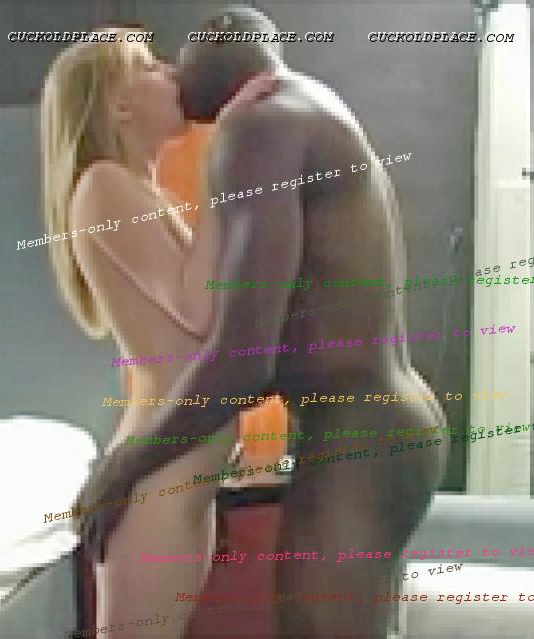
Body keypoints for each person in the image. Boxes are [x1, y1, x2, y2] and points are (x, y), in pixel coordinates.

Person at [78, 8, 450, 638]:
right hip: (380, 424)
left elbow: (243, 358)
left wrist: (123, 465)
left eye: (178, 55)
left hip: (361, 433)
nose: (173, 71)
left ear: (220, 39)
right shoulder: (305, 107)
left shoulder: (259, 127)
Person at [40, 26, 274, 637]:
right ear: (119, 104)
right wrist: (228, 152)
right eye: (149, 65)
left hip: (180, 471)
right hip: (161, 475)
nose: (172, 73)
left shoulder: (138, 192)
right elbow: (201, 311)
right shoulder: (104, 186)